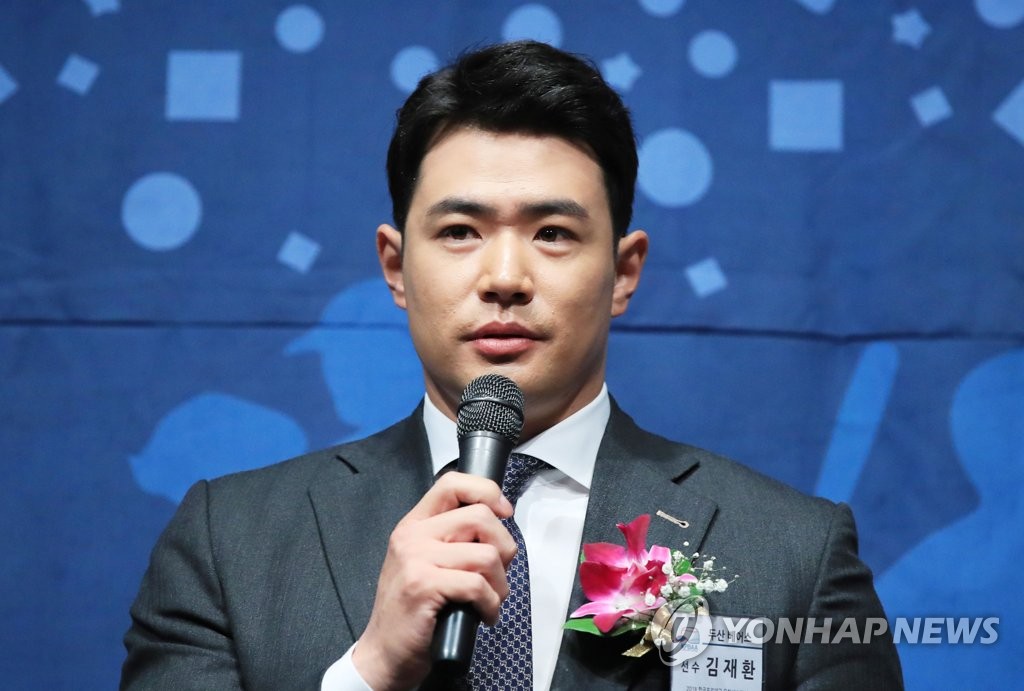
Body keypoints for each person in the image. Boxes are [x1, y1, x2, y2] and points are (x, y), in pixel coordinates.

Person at [121, 40, 902, 690]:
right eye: (459, 231)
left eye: (552, 233)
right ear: (395, 266)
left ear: (624, 271)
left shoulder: (794, 553)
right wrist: (370, 671)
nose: (504, 277)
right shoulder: (230, 542)